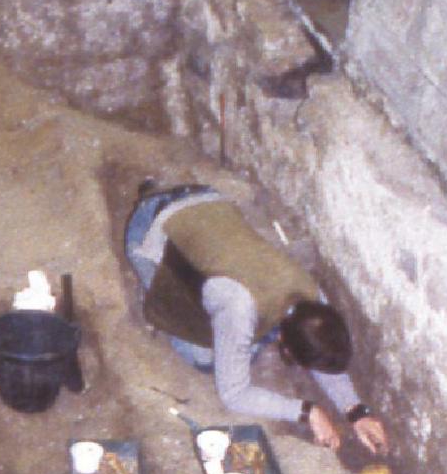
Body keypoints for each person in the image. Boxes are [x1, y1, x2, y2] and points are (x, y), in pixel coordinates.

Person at [124, 180, 390, 455]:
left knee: (245, 338)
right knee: (206, 357)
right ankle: (156, 294)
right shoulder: (238, 306)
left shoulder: (310, 296)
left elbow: (321, 350)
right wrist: (307, 411)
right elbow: (234, 394)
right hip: (151, 227)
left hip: (207, 200)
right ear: (285, 346)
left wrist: (356, 411)